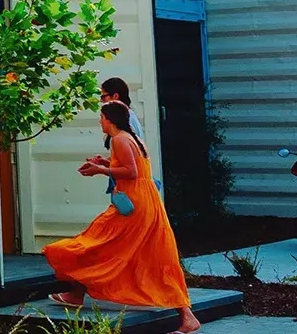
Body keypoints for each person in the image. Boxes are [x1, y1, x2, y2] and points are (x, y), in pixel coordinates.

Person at [44, 102, 200, 334]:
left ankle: (75, 293)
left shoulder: (119, 139)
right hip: (146, 203)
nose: (100, 121)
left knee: (95, 244)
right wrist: (106, 163)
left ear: (110, 119)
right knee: (151, 256)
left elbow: (132, 173)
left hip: (134, 206)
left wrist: (101, 171)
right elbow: (133, 167)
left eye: (102, 116)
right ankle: (187, 317)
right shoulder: (131, 137)